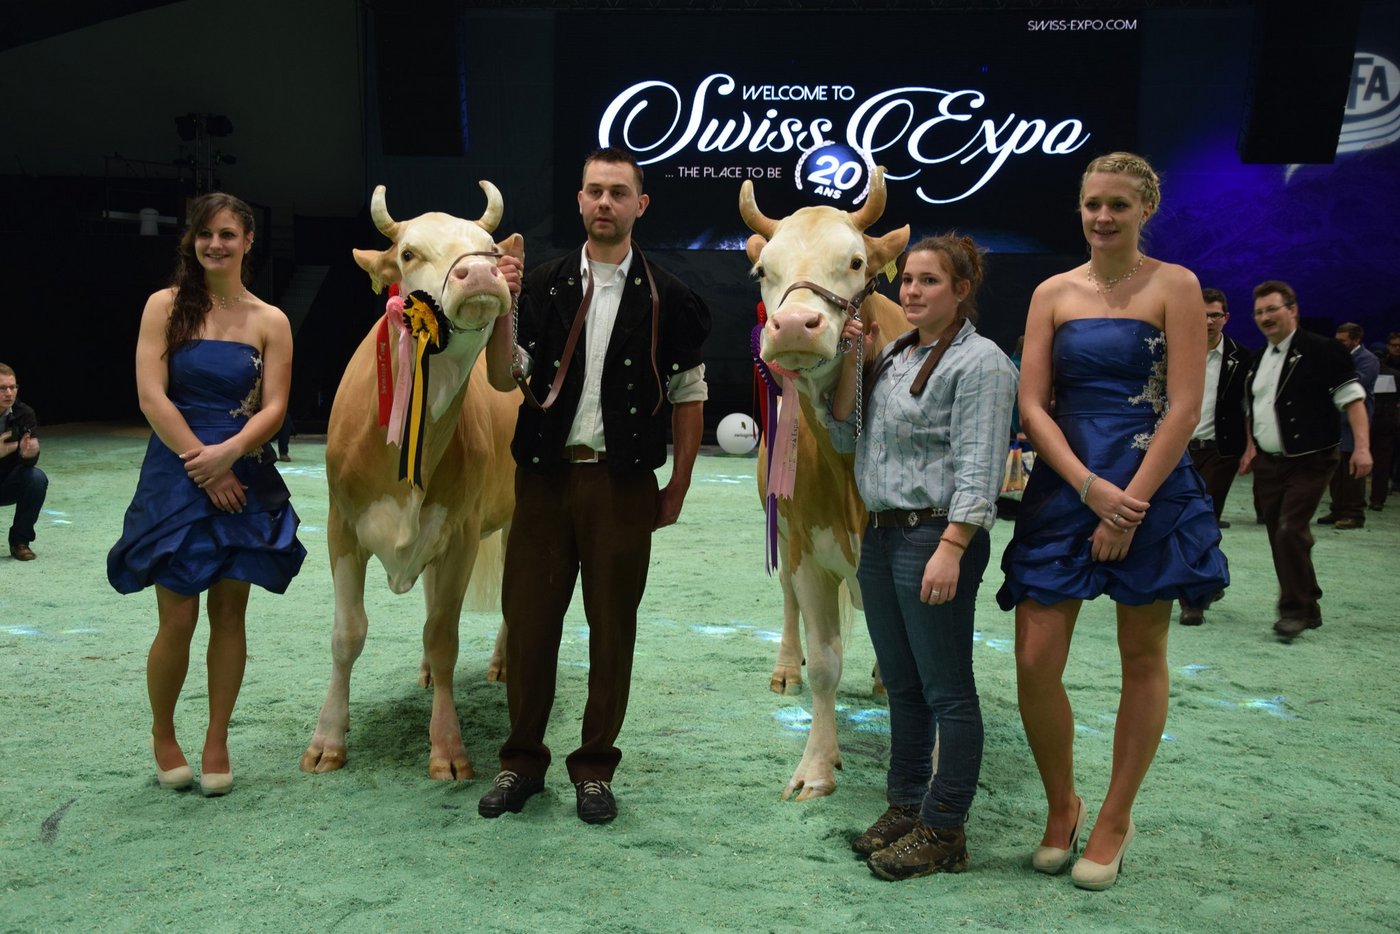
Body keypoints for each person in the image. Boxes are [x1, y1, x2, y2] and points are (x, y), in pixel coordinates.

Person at [996, 152, 1228, 891]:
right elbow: (1033, 405)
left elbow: (1184, 407)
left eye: (1118, 205)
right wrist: (1090, 488)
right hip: (1066, 484)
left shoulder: (1176, 285)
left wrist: (1128, 504)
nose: (1102, 216)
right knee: (1034, 660)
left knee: (1141, 655)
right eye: (1092, 203)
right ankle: (1061, 805)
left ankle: (1115, 820)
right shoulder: (1051, 292)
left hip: (1151, 488)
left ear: (1144, 210)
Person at [480, 148, 711, 824]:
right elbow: (501, 376)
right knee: (528, 627)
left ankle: (594, 769)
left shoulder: (674, 296)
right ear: (579, 201)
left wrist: (679, 485)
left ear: (641, 204)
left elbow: (689, 395)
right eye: (594, 191)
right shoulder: (539, 286)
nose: (604, 202)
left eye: (618, 191)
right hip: (543, 481)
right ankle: (521, 763)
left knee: (613, 630)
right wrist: (502, 308)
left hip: (624, 483)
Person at [825, 236, 1016, 881]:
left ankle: (945, 828)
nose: (911, 290)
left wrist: (953, 547)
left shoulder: (983, 363)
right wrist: (849, 362)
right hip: (881, 536)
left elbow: (981, 468)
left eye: (929, 280)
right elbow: (841, 435)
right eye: (906, 279)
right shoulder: (895, 355)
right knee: (903, 688)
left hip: (934, 537)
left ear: (962, 290)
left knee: (948, 692)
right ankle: (906, 806)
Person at [107, 192, 306, 796]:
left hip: (243, 470)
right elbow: (151, 396)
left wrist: (231, 455)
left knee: (230, 612)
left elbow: (274, 408)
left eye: (226, 234)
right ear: (191, 241)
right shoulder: (163, 306)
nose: (214, 244)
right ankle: (163, 733)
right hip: (179, 470)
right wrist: (207, 465)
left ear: (248, 241)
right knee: (178, 616)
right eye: (204, 234)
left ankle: (217, 738)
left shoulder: (271, 320)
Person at [1239, 282, 1369, 640]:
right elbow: (1252, 409)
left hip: (1311, 460)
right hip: (1269, 463)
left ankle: (1293, 611)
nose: (1265, 317)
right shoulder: (1257, 360)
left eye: (1272, 309)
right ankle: (1309, 605)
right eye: (1259, 312)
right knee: (1280, 535)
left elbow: (1353, 401)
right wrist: (1250, 447)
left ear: (1293, 310)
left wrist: (1362, 448)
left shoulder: (1324, 350)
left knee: (1289, 529)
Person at [1177, 288, 1252, 625]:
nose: (1207, 321)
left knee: (1200, 517)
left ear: (1226, 318)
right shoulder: (1175, 350)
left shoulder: (1241, 357)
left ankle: (1192, 601)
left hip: (1220, 451)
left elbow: (1248, 407)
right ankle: (1212, 574)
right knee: (1186, 520)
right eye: (1201, 314)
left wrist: (1251, 447)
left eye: (1214, 315)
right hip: (1177, 449)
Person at [1317, 323, 1378, 529]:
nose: (1339, 344)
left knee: (1353, 469)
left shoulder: (1368, 360)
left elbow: (1355, 383)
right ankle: (1337, 509)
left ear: (1356, 340)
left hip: (1354, 423)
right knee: (1337, 468)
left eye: (1343, 341)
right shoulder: (1338, 356)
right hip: (1337, 421)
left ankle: (1354, 513)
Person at [0, 363, 47, 560]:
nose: (9, 393)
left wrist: (29, 455)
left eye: (13, 387)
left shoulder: (25, 413)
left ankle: (20, 541)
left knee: (36, 478)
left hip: (7, 481)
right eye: (2, 388)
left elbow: (27, 465)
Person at [1370, 335, 1399, 511]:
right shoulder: (1395, 375)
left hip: (1368, 421)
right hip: (1386, 422)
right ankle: (1377, 499)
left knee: (1354, 461)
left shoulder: (1362, 373)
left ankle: (1352, 498)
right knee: (1382, 463)